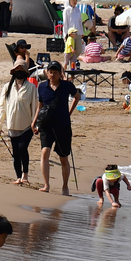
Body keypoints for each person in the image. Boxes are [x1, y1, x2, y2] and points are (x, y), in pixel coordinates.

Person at [35, 62, 80, 194]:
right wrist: (34, 122)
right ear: (47, 73)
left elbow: (77, 97)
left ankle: (65, 186)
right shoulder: (42, 86)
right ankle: (46, 185)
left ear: (60, 73)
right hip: (46, 125)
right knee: (44, 152)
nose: (52, 75)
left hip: (63, 125)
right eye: (50, 72)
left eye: (55, 72)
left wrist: (69, 113)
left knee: (63, 157)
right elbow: (40, 106)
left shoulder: (67, 86)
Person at [0, 63, 37, 184]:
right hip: (12, 126)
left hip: (27, 126)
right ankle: (18, 177)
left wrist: (35, 124)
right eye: (17, 69)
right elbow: (2, 107)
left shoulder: (31, 87)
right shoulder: (7, 87)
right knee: (16, 152)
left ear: (25, 72)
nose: (19, 72)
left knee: (22, 148)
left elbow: (35, 107)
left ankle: (25, 175)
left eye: (21, 69)